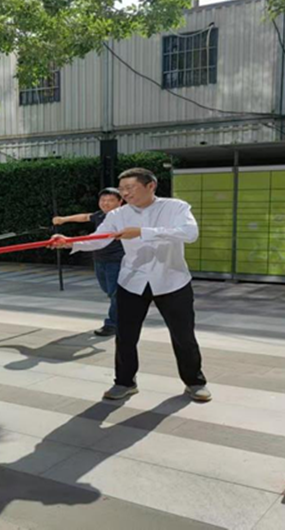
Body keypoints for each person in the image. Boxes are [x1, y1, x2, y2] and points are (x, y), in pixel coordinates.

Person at [52, 168, 211, 403]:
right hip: (132, 281)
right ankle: (124, 382)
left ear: (150, 186)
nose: (125, 193)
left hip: (172, 280)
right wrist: (69, 242)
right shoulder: (118, 215)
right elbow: (99, 239)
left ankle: (195, 382)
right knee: (125, 335)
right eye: (122, 189)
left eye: (130, 188)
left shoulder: (175, 207)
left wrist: (142, 232)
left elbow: (189, 233)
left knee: (183, 335)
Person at [52, 187, 126, 336]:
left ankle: (113, 324)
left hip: (117, 261)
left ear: (120, 202)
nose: (106, 203)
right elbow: (85, 217)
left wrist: (69, 241)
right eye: (103, 200)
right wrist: (63, 219)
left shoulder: (123, 217)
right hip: (99, 259)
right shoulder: (100, 215)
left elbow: (97, 239)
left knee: (115, 293)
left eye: (110, 200)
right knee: (108, 290)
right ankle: (123, 312)